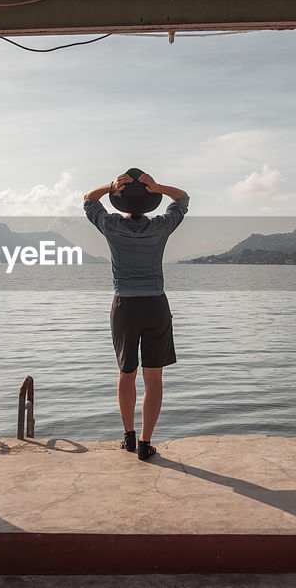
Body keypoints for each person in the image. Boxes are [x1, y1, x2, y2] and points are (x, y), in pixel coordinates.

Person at [83, 168, 189, 461]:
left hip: (125, 308)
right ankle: (145, 442)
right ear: (149, 203)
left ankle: (128, 436)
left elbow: (88, 200)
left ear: (120, 202)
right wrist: (157, 187)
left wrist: (110, 186)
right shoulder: (161, 226)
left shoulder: (111, 225)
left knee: (126, 373)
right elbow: (182, 198)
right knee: (153, 378)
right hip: (155, 304)